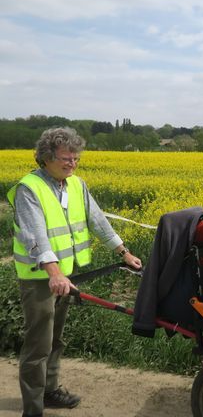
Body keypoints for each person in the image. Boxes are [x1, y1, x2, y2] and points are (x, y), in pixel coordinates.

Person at [7, 127, 142, 417]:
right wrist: (54, 273)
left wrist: (124, 252)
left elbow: (98, 221)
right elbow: (36, 237)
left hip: (65, 277)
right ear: (46, 157)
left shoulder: (76, 185)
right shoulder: (29, 188)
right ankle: (33, 409)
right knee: (38, 345)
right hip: (40, 279)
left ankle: (51, 390)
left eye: (76, 158)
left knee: (56, 340)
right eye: (66, 158)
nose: (72, 163)